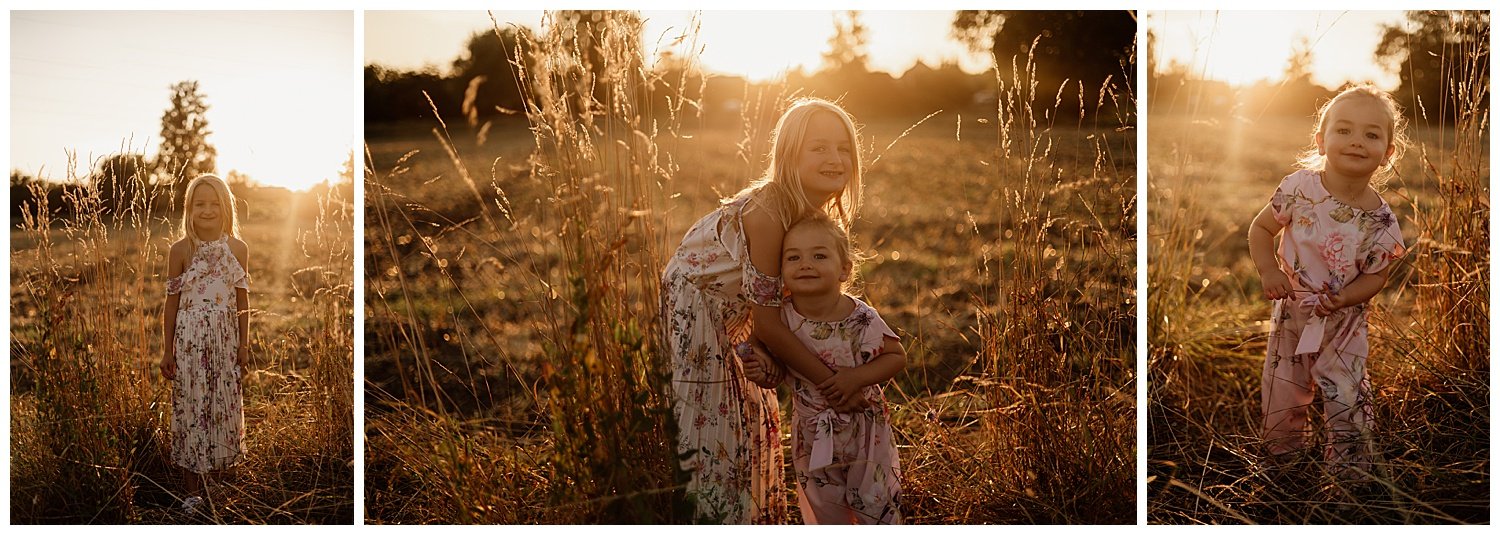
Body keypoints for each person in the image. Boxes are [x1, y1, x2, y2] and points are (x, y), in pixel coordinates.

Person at [660, 97, 866, 523]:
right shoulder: (770, 211)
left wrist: (769, 354)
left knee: (753, 416)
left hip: (738, 315)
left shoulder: (808, 214)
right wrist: (833, 384)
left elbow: (769, 300)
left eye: (843, 148)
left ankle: (754, 519)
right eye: (819, 147)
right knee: (720, 429)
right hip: (700, 312)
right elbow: (770, 321)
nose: (835, 158)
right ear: (789, 155)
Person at [1248, 85, 1407, 479]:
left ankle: (1350, 475)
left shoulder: (1381, 221)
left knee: (1348, 394)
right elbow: (1260, 228)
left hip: (1344, 321)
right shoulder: (1301, 188)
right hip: (1292, 313)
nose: (1356, 141)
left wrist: (1345, 297)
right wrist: (1270, 272)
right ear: (1321, 141)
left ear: (1387, 153)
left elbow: (1377, 276)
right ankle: (1283, 459)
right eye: (1344, 131)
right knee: (1283, 385)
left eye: (1371, 134)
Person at [778, 213, 904, 524]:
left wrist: (856, 377)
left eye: (819, 255)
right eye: (793, 257)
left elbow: (896, 355)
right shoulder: (783, 319)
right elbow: (771, 358)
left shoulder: (860, 316)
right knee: (826, 510)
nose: (805, 264)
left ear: (845, 269)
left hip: (864, 429)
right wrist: (764, 368)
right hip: (812, 431)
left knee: (876, 506)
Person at [160, 174, 251, 512]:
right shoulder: (181, 250)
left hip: (226, 341)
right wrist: (166, 349)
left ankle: (223, 484)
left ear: (226, 208)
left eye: (215, 203)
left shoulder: (237, 249)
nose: (208, 210)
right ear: (189, 209)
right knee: (190, 409)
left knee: (224, 406)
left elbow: (243, 302)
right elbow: (171, 303)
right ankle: (192, 490)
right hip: (189, 344)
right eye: (200, 204)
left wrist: (244, 344)